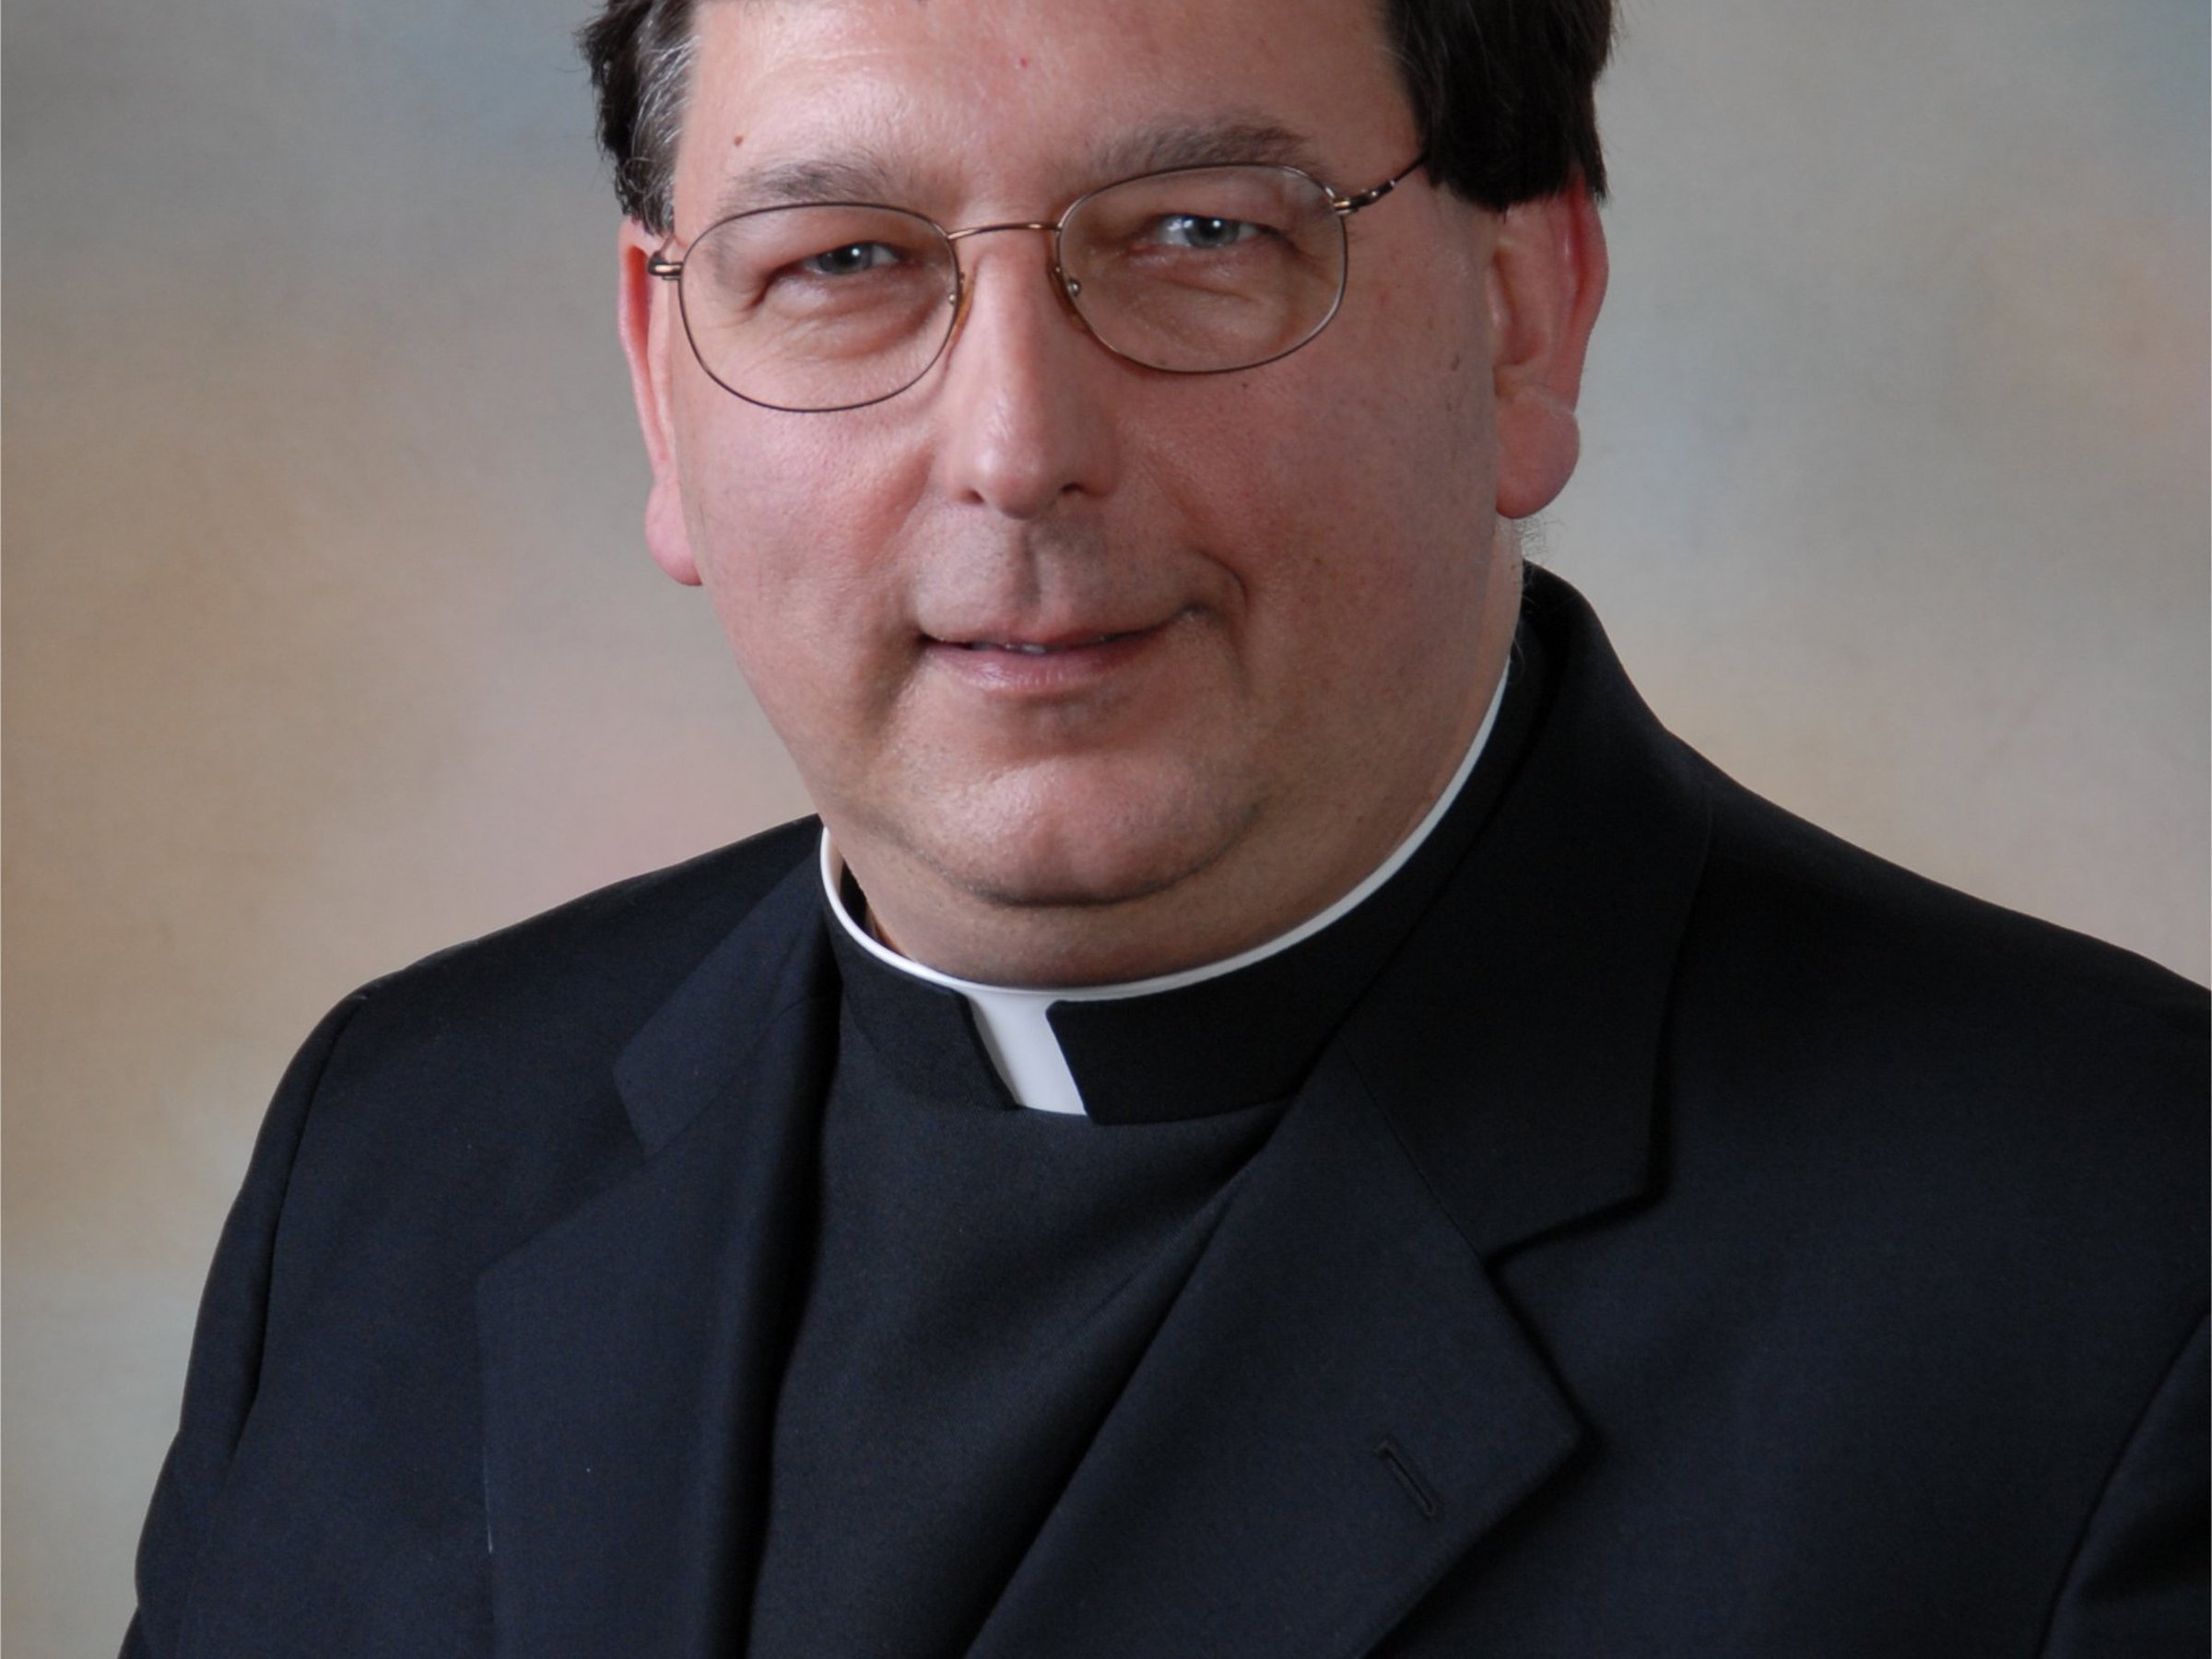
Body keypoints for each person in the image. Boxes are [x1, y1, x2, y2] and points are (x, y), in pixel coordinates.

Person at [124, 0, 2206, 1652]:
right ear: (666, 379)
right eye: (845, 263)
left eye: (1203, 235)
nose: (1017, 449)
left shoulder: (2127, 1274)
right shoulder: (405, 1143)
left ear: (1526, 315)